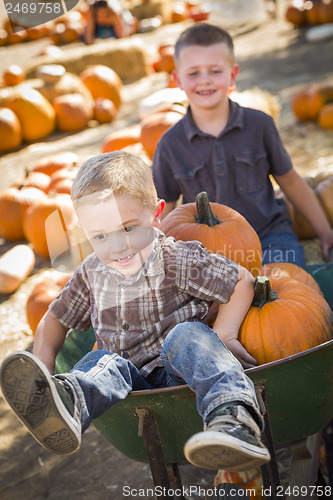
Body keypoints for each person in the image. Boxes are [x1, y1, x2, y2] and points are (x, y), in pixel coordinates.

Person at [0, 151, 270, 472]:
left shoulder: (173, 258)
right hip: (128, 388)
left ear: (156, 215)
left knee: (186, 335)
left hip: (182, 374)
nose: (117, 246)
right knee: (103, 361)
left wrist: (225, 334)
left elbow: (240, 279)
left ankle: (233, 417)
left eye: (128, 228)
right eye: (100, 236)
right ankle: (65, 401)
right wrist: (43, 369)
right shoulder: (91, 273)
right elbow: (55, 318)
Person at [152, 23, 333, 267]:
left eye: (215, 71)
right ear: (177, 80)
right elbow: (165, 208)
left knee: (286, 286)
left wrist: (324, 231)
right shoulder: (170, 145)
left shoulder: (260, 125)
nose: (204, 80)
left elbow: (290, 180)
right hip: (206, 250)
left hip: (269, 237)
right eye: (193, 73)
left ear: (233, 75)